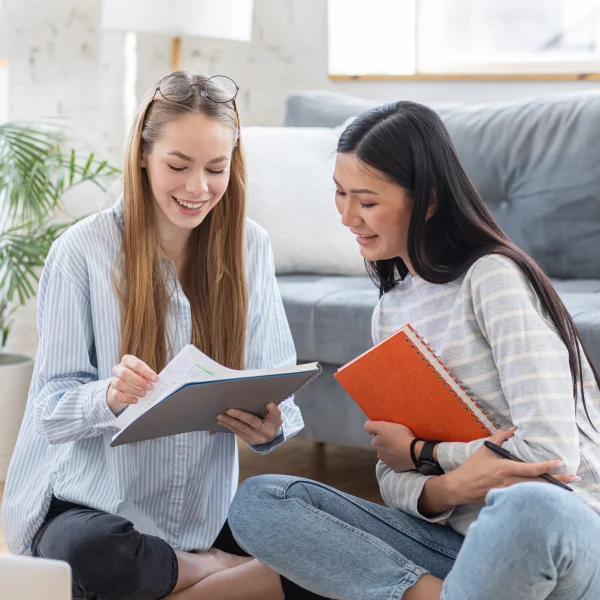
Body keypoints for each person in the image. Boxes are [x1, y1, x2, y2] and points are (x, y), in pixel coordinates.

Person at [228, 101, 600, 600]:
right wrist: (449, 488)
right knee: (262, 500)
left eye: (366, 200)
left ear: (427, 202)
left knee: (525, 506)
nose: (346, 216)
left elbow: (550, 457)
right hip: (455, 547)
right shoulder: (391, 310)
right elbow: (391, 475)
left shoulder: (492, 277)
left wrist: (425, 453)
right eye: (339, 194)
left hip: (557, 535)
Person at [1, 71, 327, 600]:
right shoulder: (80, 252)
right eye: (179, 166)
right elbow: (50, 410)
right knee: (95, 555)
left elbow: (278, 392)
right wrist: (107, 396)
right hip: (91, 507)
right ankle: (220, 573)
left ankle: (180, 579)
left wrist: (270, 428)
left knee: (329, 542)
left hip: (201, 513)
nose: (198, 188)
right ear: (144, 157)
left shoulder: (250, 247)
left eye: (215, 169)